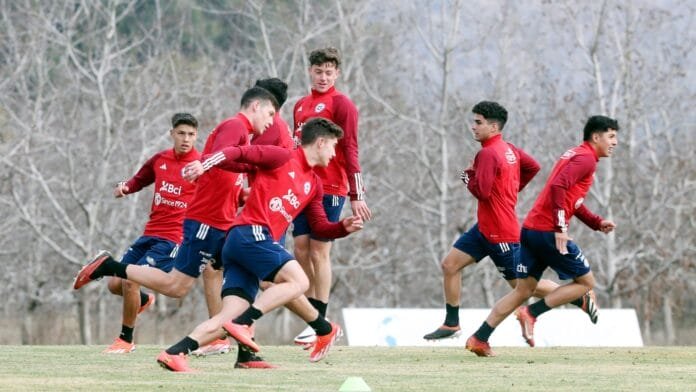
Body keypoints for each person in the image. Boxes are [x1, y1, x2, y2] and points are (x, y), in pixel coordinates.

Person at [155, 117, 364, 372]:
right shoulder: (283, 157)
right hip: (249, 233)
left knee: (227, 316)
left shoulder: (314, 185)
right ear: (320, 143)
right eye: (333, 146)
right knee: (299, 281)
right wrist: (205, 164)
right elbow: (239, 152)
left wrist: (343, 227)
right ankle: (246, 323)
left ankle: (175, 353)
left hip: (241, 245)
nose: (335, 154)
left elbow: (320, 227)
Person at [73, 87, 276, 334]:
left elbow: (224, 178)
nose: (271, 121)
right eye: (270, 113)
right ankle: (114, 272)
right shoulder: (230, 131)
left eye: (191, 134)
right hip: (183, 227)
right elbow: (216, 158)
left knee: (232, 275)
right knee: (143, 286)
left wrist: (249, 191)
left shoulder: (224, 147)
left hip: (198, 229)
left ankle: (233, 342)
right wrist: (127, 186)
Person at [465, 115, 618, 357]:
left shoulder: (576, 154)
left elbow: (571, 201)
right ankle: (532, 313)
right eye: (611, 136)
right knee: (586, 284)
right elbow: (559, 187)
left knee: (522, 291)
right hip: (548, 232)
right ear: (596, 137)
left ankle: (479, 338)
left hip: (531, 230)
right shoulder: (586, 159)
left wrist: (596, 223)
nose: (615, 142)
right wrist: (560, 228)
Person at [423, 101, 556, 340]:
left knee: (524, 286)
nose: (473, 127)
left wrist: (467, 177)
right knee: (450, 265)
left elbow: (482, 191)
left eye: (478, 122)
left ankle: (576, 294)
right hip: (484, 229)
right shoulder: (509, 149)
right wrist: (511, 189)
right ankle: (451, 323)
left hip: (500, 232)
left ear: (493, 127)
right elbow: (532, 167)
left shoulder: (487, 153)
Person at [192, 78, 295, 368]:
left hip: (262, 214)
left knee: (263, 279)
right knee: (239, 275)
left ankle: (318, 324)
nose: (268, 117)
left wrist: (209, 163)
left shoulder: (270, 127)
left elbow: (237, 158)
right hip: (253, 210)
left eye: (270, 110)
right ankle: (241, 349)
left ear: (265, 106)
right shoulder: (250, 127)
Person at [98, 113, 200, 353]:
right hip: (150, 233)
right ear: (172, 134)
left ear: (196, 136)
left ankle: (125, 340)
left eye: (191, 134)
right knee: (115, 284)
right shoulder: (160, 159)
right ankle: (143, 301)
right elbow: (141, 179)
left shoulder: (199, 165)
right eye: (181, 133)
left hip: (174, 238)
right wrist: (125, 188)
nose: (186, 139)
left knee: (131, 279)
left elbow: (222, 193)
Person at [292, 47, 372, 346]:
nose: (323, 77)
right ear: (310, 71)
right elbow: (295, 147)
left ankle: (320, 321)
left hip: (332, 186)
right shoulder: (300, 105)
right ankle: (312, 316)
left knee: (318, 251)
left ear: (337, 73)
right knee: (300, 248)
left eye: (329, 72)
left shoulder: (342, 104)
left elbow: (350, 147)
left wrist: (357, 194)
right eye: (318, 71)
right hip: (303, 185)